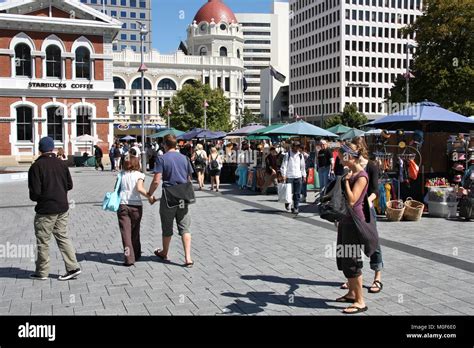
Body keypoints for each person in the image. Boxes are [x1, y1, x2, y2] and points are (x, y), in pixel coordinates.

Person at [28, 137, 81, 281]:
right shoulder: (61, 164)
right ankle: (73, 267)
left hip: (46, 209)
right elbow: (69, 185)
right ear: (52, 148)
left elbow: (35, 194)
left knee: (43, 240)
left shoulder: (36, 167)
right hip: (62, 207)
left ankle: (42, 272)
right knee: (63, 236)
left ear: (40, 149)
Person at [338, 136, 384, 294]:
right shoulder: (350, 167)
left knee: (373, 243)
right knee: (351, 250)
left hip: (366, 208)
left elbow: (375, 190)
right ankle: (353, 282)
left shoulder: (370, 166)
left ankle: (377, 276)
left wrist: (369, 200)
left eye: (354, 147)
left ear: (359, 149)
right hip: (351, 212)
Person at [147, 134, 194, 267]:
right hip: (183, 195)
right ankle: (188, 258)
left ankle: (164, 252)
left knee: (167, 226)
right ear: (176, 144)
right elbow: (189, 179)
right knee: (185, 227)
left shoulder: (162, 159)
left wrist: (150, 194)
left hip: (168, 196)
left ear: (165, 145)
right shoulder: (185, 158)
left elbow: (156, 180)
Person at [335, 143, 369, 314]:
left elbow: (353, 200)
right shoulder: (351, 173)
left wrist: (347, 182)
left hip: (354, 223)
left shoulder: (361, 176)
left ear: (349, 156)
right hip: (345, 221)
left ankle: (360, 301)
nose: (340, 161)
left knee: (353, 261)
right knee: (344, 259)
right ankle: (351, 293)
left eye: (342, 158)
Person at [117, 155, 150, 266]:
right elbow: (140, 189)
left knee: (125, 234)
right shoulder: (139, 175)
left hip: (122, 205)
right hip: (136, 206)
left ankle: (128, 258)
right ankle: (136, 252)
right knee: (135, 230)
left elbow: (115, 189)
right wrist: (150, 196)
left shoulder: (120, 175)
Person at [280, 141, 306, 215]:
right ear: (293, 146)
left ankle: (295, 207)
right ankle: (288, 203)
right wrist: (284, 175)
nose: (298, 148)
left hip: (298, 176)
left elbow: (303, 167)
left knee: (297, 193)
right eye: (296, 146)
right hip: (289, 176)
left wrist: (304, 175)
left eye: (298, 146)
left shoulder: (300, 155)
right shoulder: (287, 155)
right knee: (289, 193)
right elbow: (283, 166)